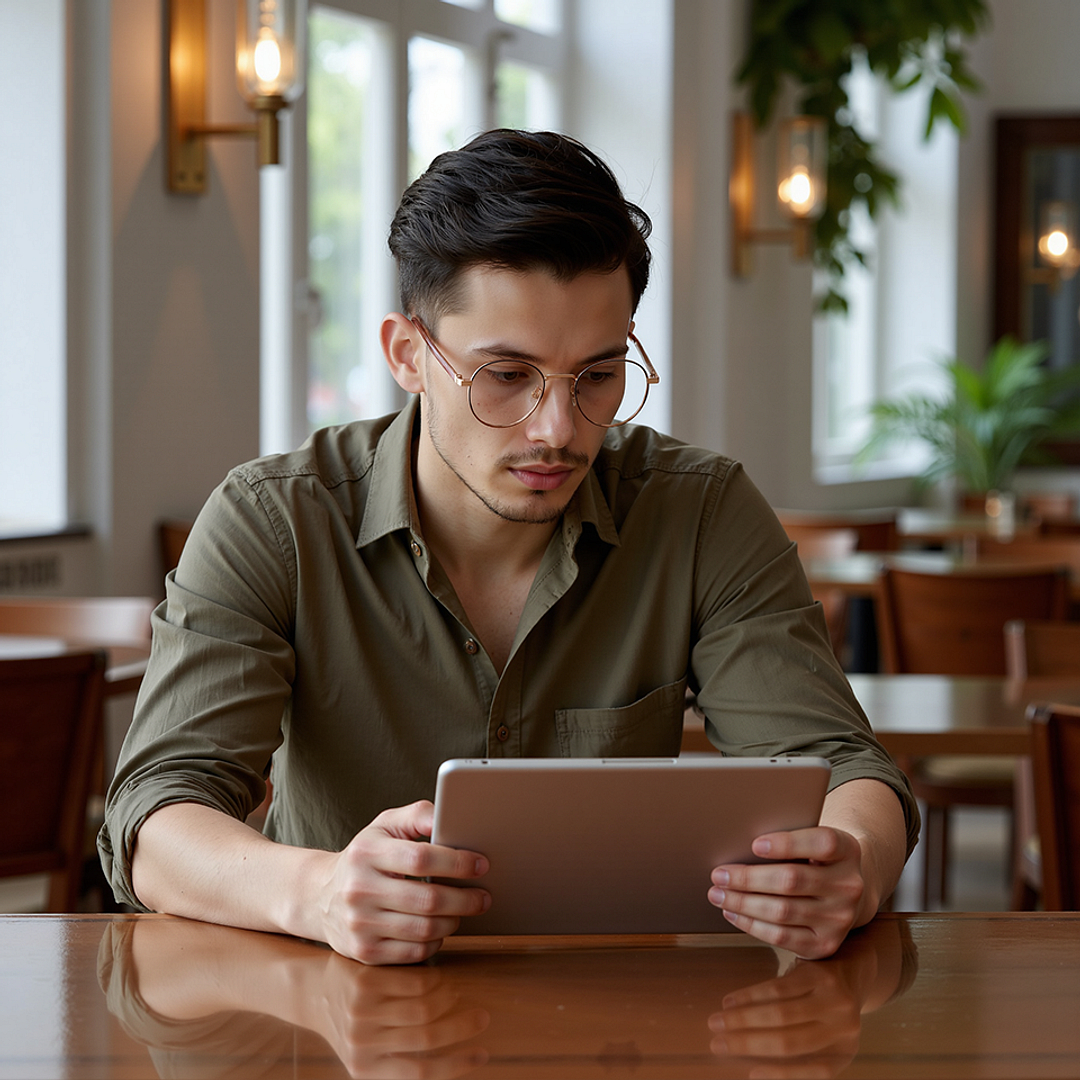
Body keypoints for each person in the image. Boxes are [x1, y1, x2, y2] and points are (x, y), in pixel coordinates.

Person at [100, 129, 918, 966]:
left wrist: (853, 861)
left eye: (598, 376)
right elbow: (153, 817)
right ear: (409, 355)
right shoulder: (274, 520)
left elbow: (844, 767)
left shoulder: (701, 511)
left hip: (626, 1030)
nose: (558, 430)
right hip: (338, 1019)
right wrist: (317, 892)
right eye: (506, 376)